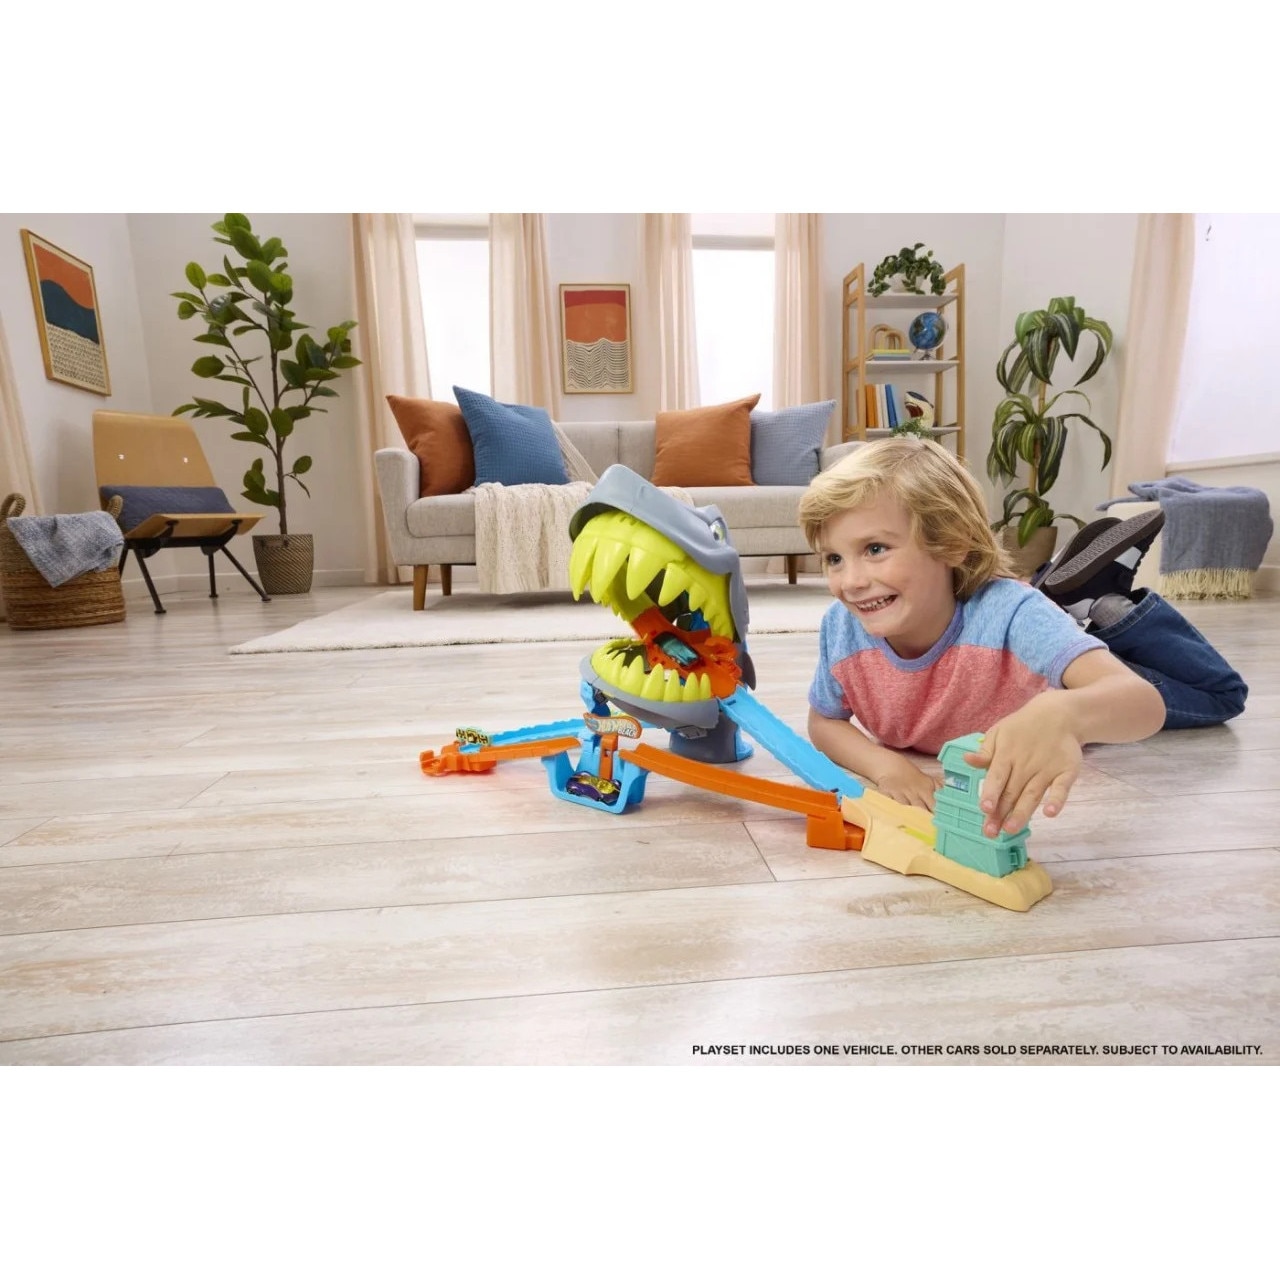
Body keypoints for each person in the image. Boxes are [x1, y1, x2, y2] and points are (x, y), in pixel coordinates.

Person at [798, 437, 1247, 838]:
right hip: (1048, 654)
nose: (851, 581)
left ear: (952, 543)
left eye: (875, 549)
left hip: (1065, 681)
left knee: (1221, 696)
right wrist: (887, 767)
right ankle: (1077, 604)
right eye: (833, 558)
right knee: (1077, 650)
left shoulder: (1009, 612)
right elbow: (825, 722)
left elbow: (1142, 703)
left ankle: (1114, 611)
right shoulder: (842, 628)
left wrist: (1064, 713)